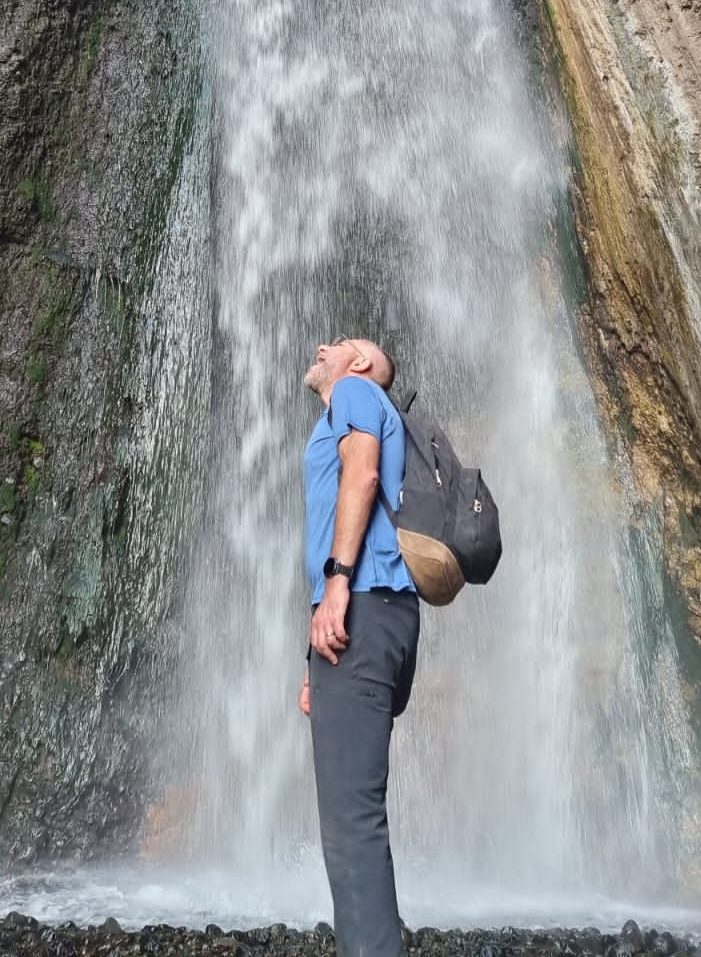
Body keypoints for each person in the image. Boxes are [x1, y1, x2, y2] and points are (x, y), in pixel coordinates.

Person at [299, 335, 419, 957]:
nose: (322, 346)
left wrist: (339, 584)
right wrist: (312, 662)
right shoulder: (358, 402)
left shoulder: (354, 392)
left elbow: (363, 472)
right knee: (357, 814)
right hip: (380, 619)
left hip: (365, 607)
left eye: (339, 343)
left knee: (351, 824)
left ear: (363, 363)